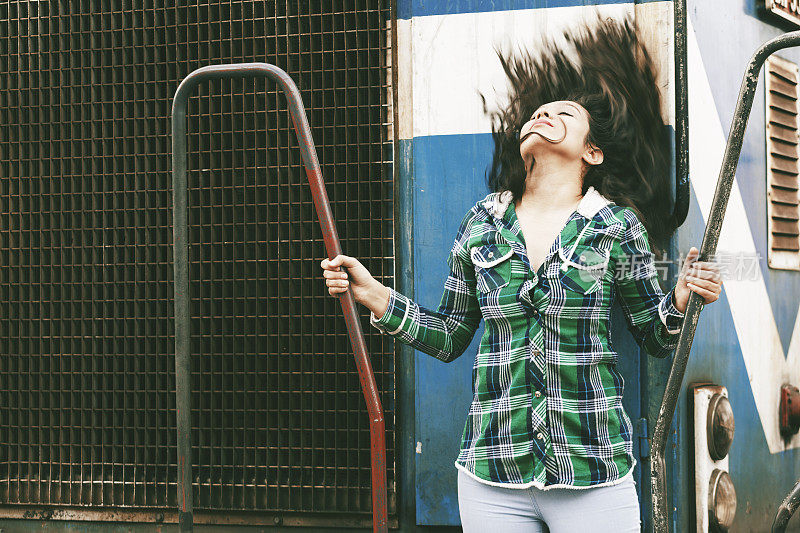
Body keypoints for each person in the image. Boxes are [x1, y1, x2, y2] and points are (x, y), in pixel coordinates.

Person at [320, 16, 722, 533]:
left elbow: (654, 333)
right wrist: (373, 294)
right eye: (538, 112)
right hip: (492, 474)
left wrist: (684, 296)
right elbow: (450, 335)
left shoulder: (618, 229)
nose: (544, 115)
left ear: (591, 152)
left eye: (564, 113)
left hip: (592, 471)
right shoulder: (481, 224)